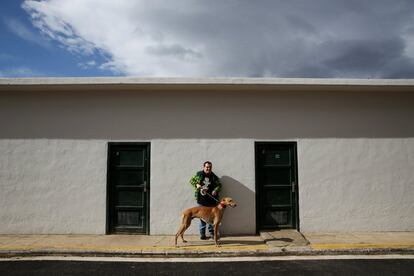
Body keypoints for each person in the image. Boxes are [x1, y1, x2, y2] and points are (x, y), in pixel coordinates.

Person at [189, 161, 222, 240]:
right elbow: (192, 181)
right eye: (207, 167)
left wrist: (215, 190)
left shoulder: (214, 177)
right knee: (202, 219)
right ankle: (202, 235)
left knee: (212, 219)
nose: (208, 168)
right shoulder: (199, 174)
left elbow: (219, 185)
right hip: (201, 201)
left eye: (210, 167)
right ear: (203, 167)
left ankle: (212, 234)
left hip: (211, 202)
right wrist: (196, 184)